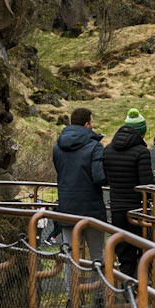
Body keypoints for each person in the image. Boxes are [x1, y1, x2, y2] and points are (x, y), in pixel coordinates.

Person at [102, 109, 155, 277]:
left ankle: (127, 292)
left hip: (116, 210)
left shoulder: (108, 150)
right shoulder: (141, 152)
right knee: (146, 252)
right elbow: (146, 184)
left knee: (124, 255)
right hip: (138, 211)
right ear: (142, 131)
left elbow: (106, 177)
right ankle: (145, 293)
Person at [51, 107, 105, 296]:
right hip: (91, 208)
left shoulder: (58, 146)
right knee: (97, 255)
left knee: (70, 256)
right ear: (87, 124)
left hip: (67, 208)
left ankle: (71, 296)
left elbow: (60, 171)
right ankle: (99, 296)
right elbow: (99, 177)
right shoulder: (94, 146)